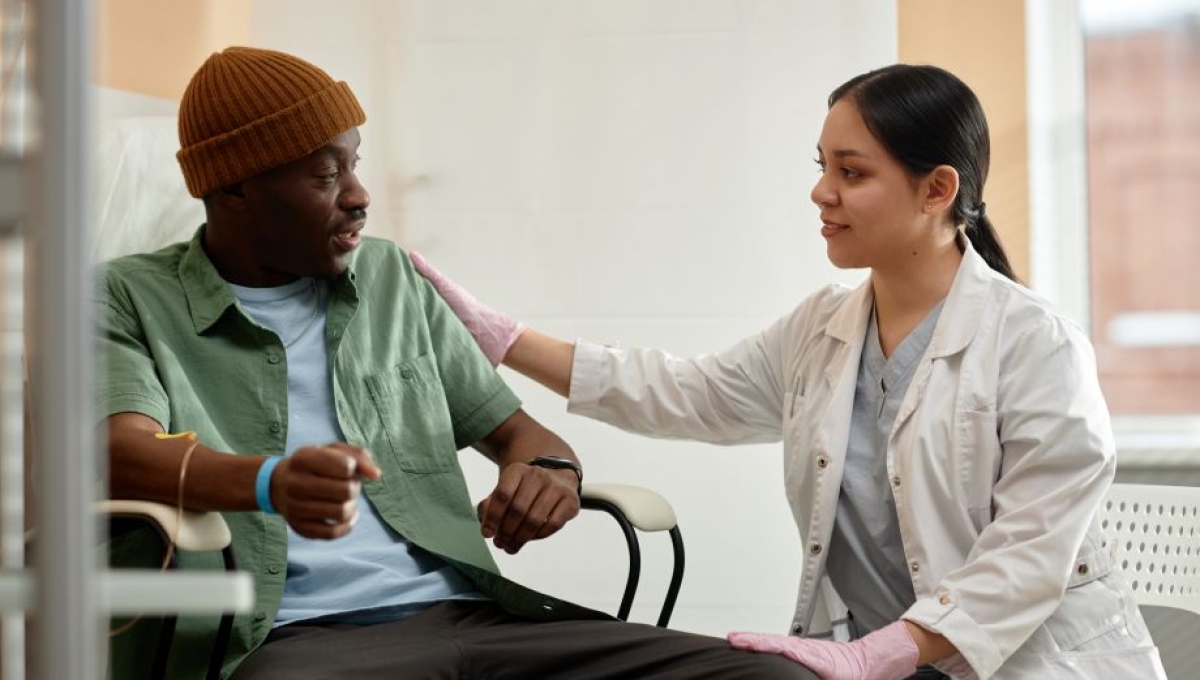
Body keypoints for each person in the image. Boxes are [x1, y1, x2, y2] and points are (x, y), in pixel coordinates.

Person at [412, 64, 1168, 680]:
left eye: (851, 171)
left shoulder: (1035, 345)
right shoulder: (822, 329)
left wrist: (878, 653)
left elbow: (1030, 553)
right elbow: (682, 392)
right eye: (822, 166)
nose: (821, 191)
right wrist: (502, 338)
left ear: (937, 189)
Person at [98, 46, 817, 680]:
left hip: (476, 615)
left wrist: (549, 474)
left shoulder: (389, 279)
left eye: (353, 162)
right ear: (233, 189)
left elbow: (518, 434)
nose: (358, 195)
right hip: (296, 641)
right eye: (325, 176)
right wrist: (268, 481)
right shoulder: (126, 296)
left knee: (773, 679)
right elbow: (114, 453)